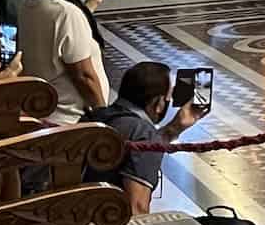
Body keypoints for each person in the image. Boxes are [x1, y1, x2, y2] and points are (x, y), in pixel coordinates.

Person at [81, 60, 208, 215]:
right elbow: (137, 209)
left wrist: (173, 129)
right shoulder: (143, 133)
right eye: (168, 96)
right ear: (158, 103)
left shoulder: (96, 116)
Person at [20, 0, 107, 121]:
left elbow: (62, 35)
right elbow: (84, 76)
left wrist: (91, 3)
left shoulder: (29, 5)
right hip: (71, 120)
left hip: (43, 113)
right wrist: (103, 115)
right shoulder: (65, 12)